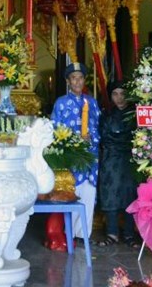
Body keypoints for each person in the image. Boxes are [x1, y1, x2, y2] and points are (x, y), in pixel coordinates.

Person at [50, 62, 101, 241]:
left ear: (84, 80)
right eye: (73, 78)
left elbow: (98, 127)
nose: (77, 82)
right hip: (71, 156)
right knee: (73, 193)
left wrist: (91, 138)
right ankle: (69, 234)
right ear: (68, 81)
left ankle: (83, 234)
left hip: (91, 157)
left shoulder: (92, 103)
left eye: (80, 78)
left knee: (88, 193)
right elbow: (55, 129)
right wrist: (74, 139)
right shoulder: (61, 103)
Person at [96, 80, 139, 248]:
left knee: (130, 194)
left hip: (129, 159)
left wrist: (119, 139)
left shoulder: (135, 115)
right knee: (110, 194)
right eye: (115, 94)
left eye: (122, 94)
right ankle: (111, 233)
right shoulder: (106, 115)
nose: (119, 98)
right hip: (110, 158)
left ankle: (129, 234)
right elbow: (104, 137)